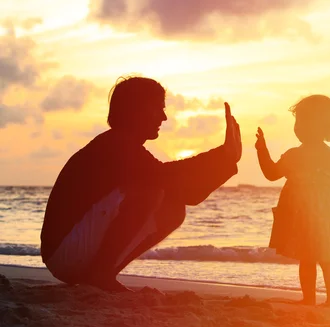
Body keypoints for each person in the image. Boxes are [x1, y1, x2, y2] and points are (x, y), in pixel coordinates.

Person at [40, 75, 242, 292]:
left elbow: (188, 195)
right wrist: (222, 156)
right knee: (151, 191)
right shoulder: (116, 143)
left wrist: (227, 161)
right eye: (157, 108)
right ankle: (101, 274)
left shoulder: (125, 145)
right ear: (136, 111)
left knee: (173, 207)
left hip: (69, 255)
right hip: (65, 251)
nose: (163, 117)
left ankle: (102, 273)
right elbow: (164, 176)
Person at [254, 94, 330, 307]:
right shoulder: (327, 156)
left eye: (303, 121)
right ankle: (328, 300)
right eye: (298, 121)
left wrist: (261, 150)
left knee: (312, 258)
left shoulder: (297, 155)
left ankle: (318, 299)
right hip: (322, 213)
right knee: (322, 258)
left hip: (308, 214)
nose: (298, 126)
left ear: (321, 126)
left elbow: (270, 173)